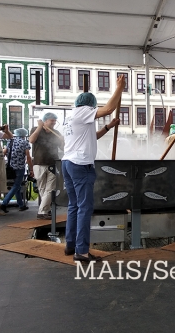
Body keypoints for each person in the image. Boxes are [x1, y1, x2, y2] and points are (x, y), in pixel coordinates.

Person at [63, 74, 125, 263]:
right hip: (81, 165)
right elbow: (109, 108)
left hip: (68, 162)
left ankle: (71, 244)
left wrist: (108, 127)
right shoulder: (83, 111)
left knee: (74, 206)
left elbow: (91, 137)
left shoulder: (71, 116)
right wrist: (120, 88)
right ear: (90, 105)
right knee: (85, 208)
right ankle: (81, 252)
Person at [29, 113, 64, 220]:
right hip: (39, 163)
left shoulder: (56, 133)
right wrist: (40, 127)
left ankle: (42, 211)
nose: (53, 122)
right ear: (45, 121)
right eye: (51, 120)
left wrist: (62, 141)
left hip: (53, 163)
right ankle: (45, 210)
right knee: (42, 188)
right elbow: (31, 140)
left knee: (51, 188)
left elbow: (62, 148)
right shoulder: (36, 129)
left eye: (54, 121)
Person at [1, 128, 33, 212]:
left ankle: (21, 205)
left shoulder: (10, 141)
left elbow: (4, 152)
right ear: (24, 135)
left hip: (10, 167)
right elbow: (28, 157)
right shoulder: (25, 143)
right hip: (20, 167)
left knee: (17, 186)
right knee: (16, 186)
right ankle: (4, 203)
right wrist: (31, 169)